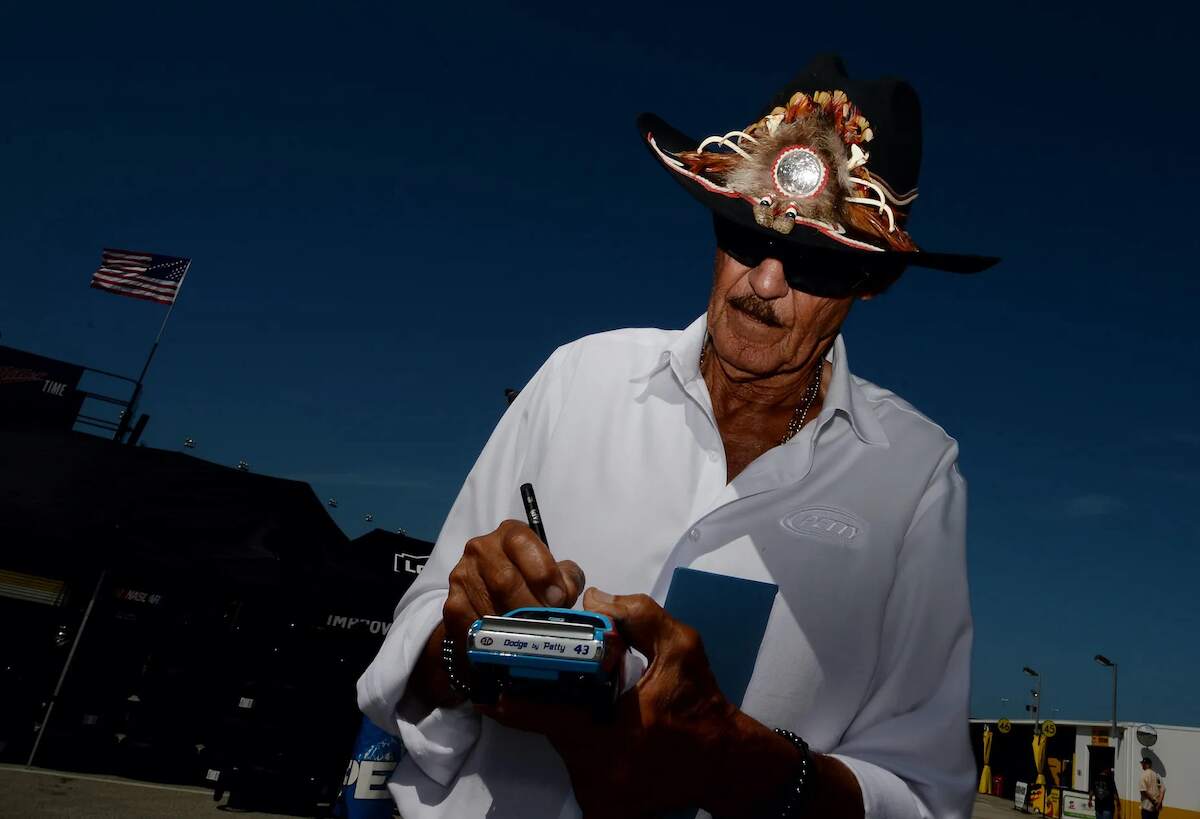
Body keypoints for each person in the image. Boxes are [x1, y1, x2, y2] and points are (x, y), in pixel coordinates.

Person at [358, 55, 998, 818]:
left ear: (870, 282)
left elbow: (925, 797)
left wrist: (737, 758)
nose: (762, 283)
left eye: (813, 261)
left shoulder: (918, 475)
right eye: (743, 233)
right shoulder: (577, 379)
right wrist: (469, 649)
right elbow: (410, 644)